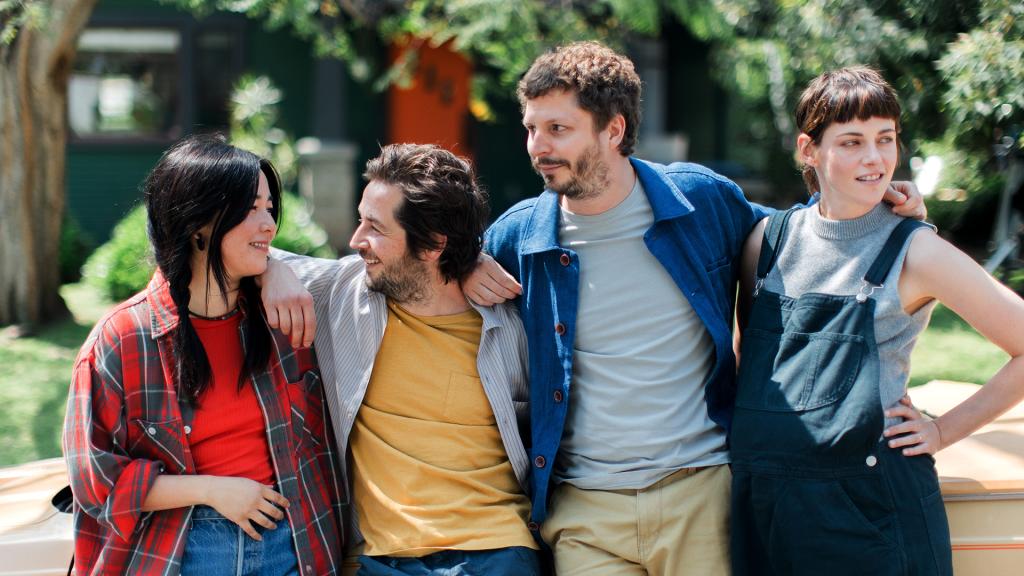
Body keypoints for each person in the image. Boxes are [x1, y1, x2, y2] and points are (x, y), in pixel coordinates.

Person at [465, 42, 926, 575]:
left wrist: (878, 200)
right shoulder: (519, 237)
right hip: (585, 510)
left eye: (557, 130)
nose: (536, 146)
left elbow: (802, 237)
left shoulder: (699, 202)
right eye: (531, 128)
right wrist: (466, 261)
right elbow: (438, 287)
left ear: (613, 130)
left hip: (701, 491)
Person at [729, 67, 1024, 576]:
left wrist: (943, 431)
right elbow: (746, 364)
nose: (874, 158)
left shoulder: (916, 250)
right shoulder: (766, 243)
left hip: (873, 518)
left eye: (885, 139)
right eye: (851, 142)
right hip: (768, 509)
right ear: (808, 150)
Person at [62, 134, 344, 575]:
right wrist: (212, 490)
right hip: (182, 550)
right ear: (198, 222)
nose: (268, 224)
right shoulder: (123, 339)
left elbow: (375, 276)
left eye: (270, 208)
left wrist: (472, 261)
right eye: (251, 208)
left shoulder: (284, 316)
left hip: (291, 544)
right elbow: (97, 481)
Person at [260, 143, 541, 575]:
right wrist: (271, 269)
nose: (356, 241)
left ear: (432, 246)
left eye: (375, 227)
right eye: (360, 220)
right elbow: (211, 242)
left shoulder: (510, 322)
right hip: (379, 560)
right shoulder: (343, 291)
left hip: (496, 552)